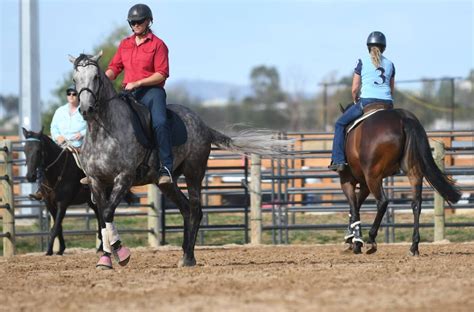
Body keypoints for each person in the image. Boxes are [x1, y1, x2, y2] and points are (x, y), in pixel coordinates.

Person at [82, 3, 173, 185]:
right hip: (129, 92)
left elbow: (161, 73)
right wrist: (98, 80)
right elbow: (114, 68)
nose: (135, 25)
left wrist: (138, 82)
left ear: (149, 21)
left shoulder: (158, 45)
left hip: (152, 92)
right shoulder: (125, 44)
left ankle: (166, 167)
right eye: (132, 22)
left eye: (139, 21)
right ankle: (92, 167)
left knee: (160, 123)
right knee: (102, 117)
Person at [328, 31, 395, 172]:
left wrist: (355, 99)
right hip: (387, 104)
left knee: (340, 124)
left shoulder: (362, 61)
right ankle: (396, 163)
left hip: (367, 101)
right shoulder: (390, 64)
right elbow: (391, 89)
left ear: (368, 47)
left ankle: (339, 161)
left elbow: (354, 88)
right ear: (384, 47)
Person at [29, 85, 87, 200]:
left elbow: (92, 125)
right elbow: (53, 127)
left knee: (87, 161)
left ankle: (89, 185)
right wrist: (57, 136)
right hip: (61, 144)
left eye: (74, 93)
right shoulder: (60, 111)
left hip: (79, 144)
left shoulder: (84, 110)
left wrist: (82, 133)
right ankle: (41, 189)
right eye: (69, 93)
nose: (71, 96)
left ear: (78, 96)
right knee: (44, 159)